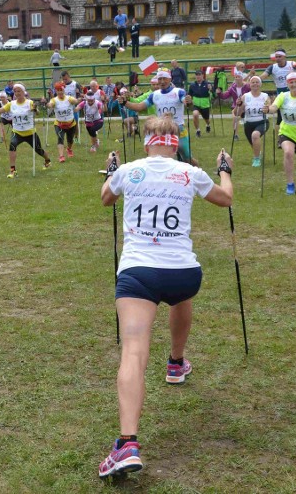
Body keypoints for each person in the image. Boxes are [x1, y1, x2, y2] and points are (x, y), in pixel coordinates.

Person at [98, 115, 234, 478]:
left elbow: (105, 199)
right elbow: (226, 199)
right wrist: (224, 169)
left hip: (139, 273)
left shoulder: (129, 169)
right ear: (176, 143)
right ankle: (176, 362)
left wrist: (111, 171)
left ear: (146, 143)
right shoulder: (191, 172)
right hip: (183, 274)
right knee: (177, 296)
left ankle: (127, 443)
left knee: (134, 348)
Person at [119, 69, 193, 164]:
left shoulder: (178, 92)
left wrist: (188, 101)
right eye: (160, 79)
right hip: (162, 130)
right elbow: (139, 107)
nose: (162, 81)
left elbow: (186, 102)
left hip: (179, 130)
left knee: (188, 159)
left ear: (170, 79)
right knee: (163, 160)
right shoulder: (154, 95)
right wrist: (125, 102)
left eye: (164, 78)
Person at [0, 83, 52, 178]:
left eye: (19, 91)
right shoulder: (11, 104)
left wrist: (35, 109)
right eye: (15, 91)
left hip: (30, 132)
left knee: (39, 150)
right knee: (12, 146)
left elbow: (37, 112)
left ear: (23, 92)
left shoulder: (29, 102)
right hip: (17, 132)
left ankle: (47, 160)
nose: (17, 93)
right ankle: (13, 170)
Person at [236, 76, 271, 167]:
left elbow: (270, 108)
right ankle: (258, 154)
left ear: (260, 84)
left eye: (257, 82)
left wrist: (267, 109)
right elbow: (238, 113)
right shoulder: (245, 96)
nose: (255, 84)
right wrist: (238, 105)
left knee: (255, 135)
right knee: (253, 143)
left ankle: (256, 160)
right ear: (250, 84)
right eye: (253, 82)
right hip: (248, 123)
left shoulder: (265, 96)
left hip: (262, 121)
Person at [260, 50, 296, 125]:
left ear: (284, 56)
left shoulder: (292, 64)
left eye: (280, 56)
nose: (278, 58)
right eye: (276, 57)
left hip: (292, 91)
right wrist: (255, 79)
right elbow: (263, 76)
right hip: (281, 93)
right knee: (281, 116)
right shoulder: (272, 67)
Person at [48, 82, 80, 162]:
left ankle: (69, 149)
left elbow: (75, 101)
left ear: (64, 90)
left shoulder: (69, 98)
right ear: (56, 91)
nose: (60, 92)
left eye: (61, 90)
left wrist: (77, 100)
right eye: (58, 90)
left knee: (70, 140)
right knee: (60, 138)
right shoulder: (54, 100)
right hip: (59, 124)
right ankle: (61, 156)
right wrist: (48, 104)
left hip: (71, 124)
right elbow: (51, 104)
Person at [218, 71, 251, 140]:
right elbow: (225, 96)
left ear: (242, 78)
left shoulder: (247, 87)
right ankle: (235, 135)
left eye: (238, 77)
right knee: (234, 117)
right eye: (235, 77)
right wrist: (219, 93)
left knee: (249, 121)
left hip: (246, 106)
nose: (237, 78)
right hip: (236, 106)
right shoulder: (232, 88)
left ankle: (251, 133)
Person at [188, 69, 213, 137]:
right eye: (196, 75)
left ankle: (208, 125)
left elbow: (213, 94)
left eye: (199, 75)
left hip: (205, 105)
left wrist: (211, 89)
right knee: (195, 114)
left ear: (203, 76)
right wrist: (189, 99)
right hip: (196, 105)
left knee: (207, 119)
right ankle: (198, 130)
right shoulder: (192, 85)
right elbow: (189, 94)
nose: (198, 76)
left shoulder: (207, 84)